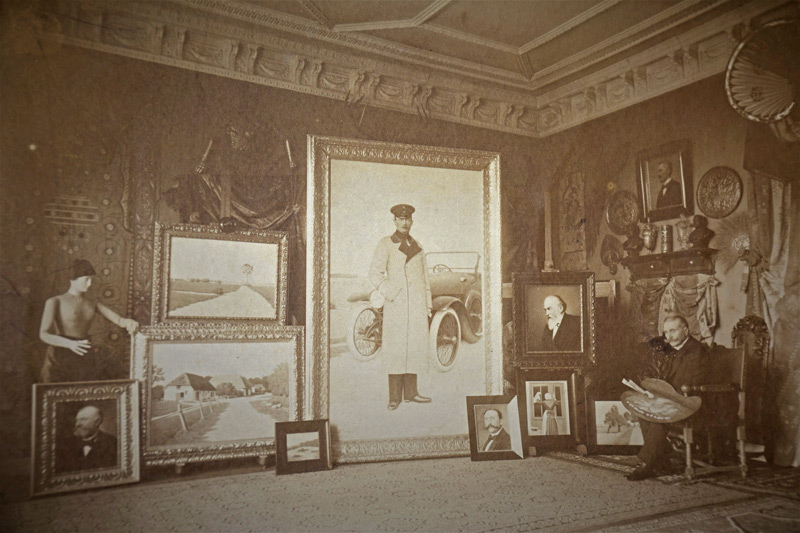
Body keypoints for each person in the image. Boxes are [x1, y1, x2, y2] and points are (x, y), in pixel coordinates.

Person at [627, 314, 710, 481]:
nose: (669, 336)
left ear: (685, 330)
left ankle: (647, 463)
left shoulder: (697, 351)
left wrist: (665, 394)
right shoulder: (673, 350)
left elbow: (692, 383)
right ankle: (661, 463)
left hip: (694, 402)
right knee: (645, 411)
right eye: (666, 332)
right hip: (675, 398)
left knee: (659, 415)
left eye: (673, 331)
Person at [369, 204, 433, 410]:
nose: (405, 222)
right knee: (396, 348)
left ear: (412, 221)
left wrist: (427, 304)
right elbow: (375, 273)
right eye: (401, 218)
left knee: (414, 346)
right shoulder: (386, 244)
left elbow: (425, 278)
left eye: (408, 219)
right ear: (395, 221)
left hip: (416, 305)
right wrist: (391, 292)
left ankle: (412, 393)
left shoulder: (418, 245)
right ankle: (395, 397)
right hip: (396, 304)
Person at [39, 259, 139, 383]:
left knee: (85, 392)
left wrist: (130, 322)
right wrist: (70, 344)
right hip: (60, 354)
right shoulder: (55, 301)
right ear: (73, 279)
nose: (90, 283)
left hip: (84, 354)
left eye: (91, 279)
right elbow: (44, 334)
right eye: (86, 279)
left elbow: (119, 320)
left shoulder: (92, 303)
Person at [55, 404, 118, 472]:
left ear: (97, 422)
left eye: (83, 419)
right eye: (77, 420)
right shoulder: (65, 444)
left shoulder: (113, 443)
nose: (77, 424)